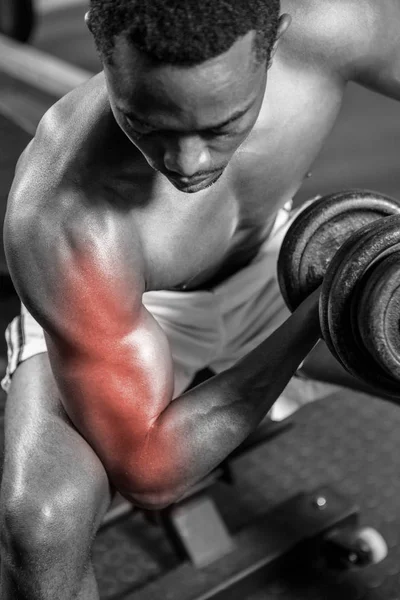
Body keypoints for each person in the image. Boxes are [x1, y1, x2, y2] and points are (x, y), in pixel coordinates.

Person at [1, 0, 399, 597]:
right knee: (41, 523)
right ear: (100, 44)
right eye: (148, 123)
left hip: (275, 261)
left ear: (275, 40)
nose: (187, 164)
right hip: (117, 301)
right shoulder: (60, 213)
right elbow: (150, 472)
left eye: (221, 127)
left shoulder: (336, 27)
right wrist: (322, 309)